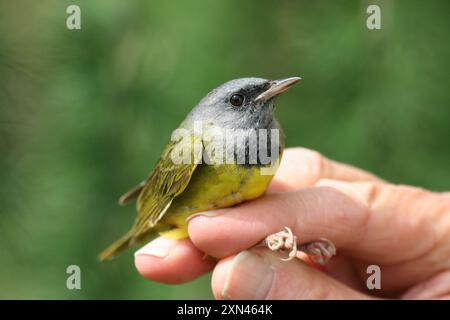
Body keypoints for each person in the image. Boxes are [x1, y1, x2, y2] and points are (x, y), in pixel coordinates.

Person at [133, 148, 450, 299]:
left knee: (231, 235)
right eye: (240, 101)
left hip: (227, 233)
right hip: (185, 224)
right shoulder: (193, 151)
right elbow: (159, 195)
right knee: (218, 241)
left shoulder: (269, 142)